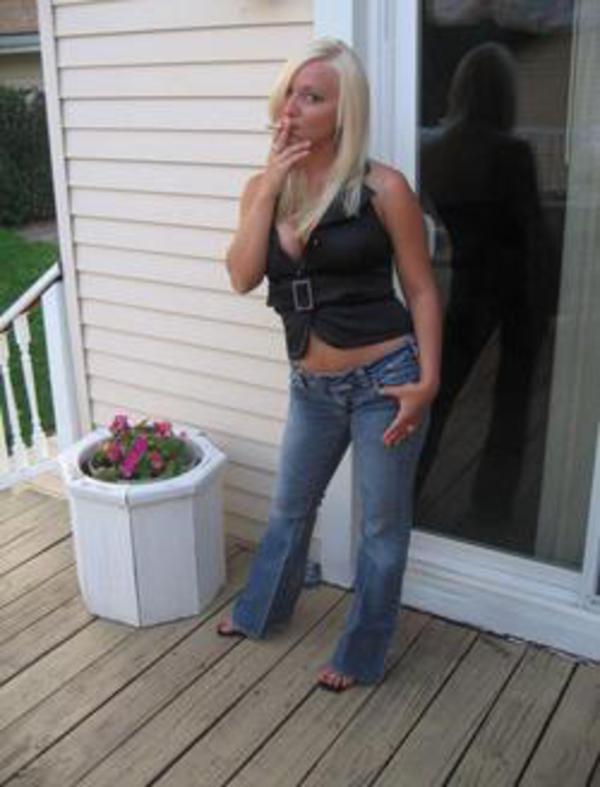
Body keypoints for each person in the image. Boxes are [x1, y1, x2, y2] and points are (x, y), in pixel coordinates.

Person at [217, 38, 442, 691]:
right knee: (290, 508)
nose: (291, 108)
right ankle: (261, 610)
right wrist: (269, 188)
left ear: (344, 111)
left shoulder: (384, 189)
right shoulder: (262, 189)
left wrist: (427, 382)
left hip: (387, 380)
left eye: (311, 96)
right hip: (311, 385)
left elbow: (422, 290)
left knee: (381, 527)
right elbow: (242, 276)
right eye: (289, 91)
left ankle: (362, 652)